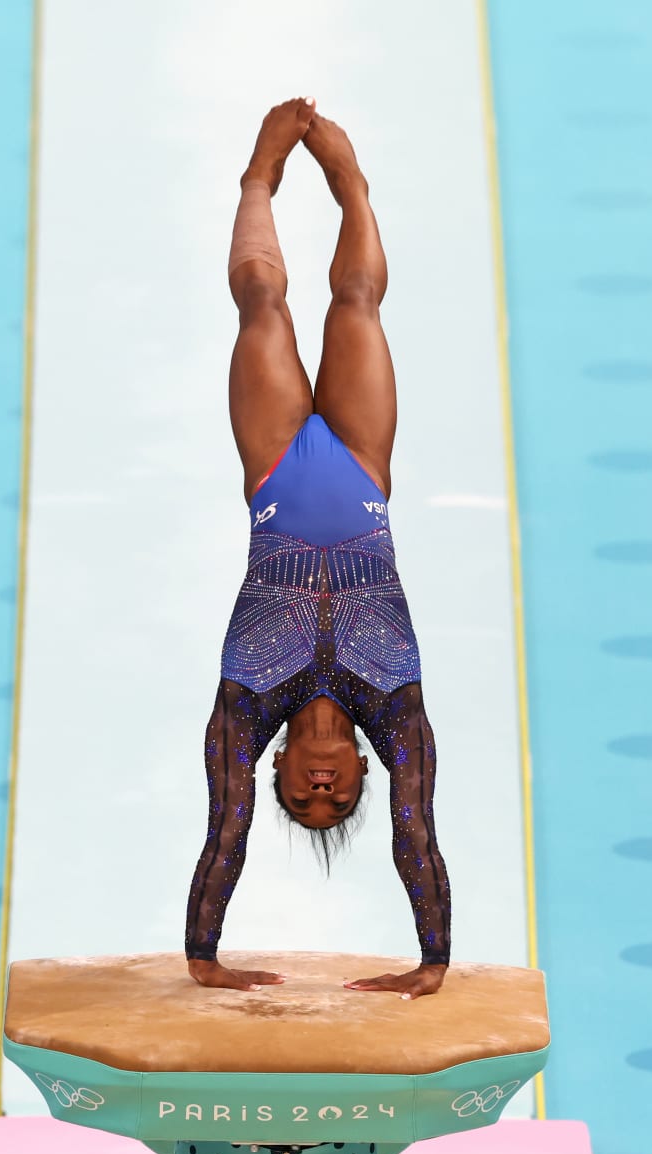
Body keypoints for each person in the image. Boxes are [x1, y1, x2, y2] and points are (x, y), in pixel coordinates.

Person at [184, 98, 450, 1000]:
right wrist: (433, 964)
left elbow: (226, 831)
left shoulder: (246, 704)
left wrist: (202, 960)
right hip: (364, 475)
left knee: (262, 305)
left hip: (273, 477)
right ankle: (353, 188)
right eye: (339, 798)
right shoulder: (396, 709)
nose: (325, 789)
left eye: (306, 798)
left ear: (280, 773)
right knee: (357, 301)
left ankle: (259, 178)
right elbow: (416, 831)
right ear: (367, 768)